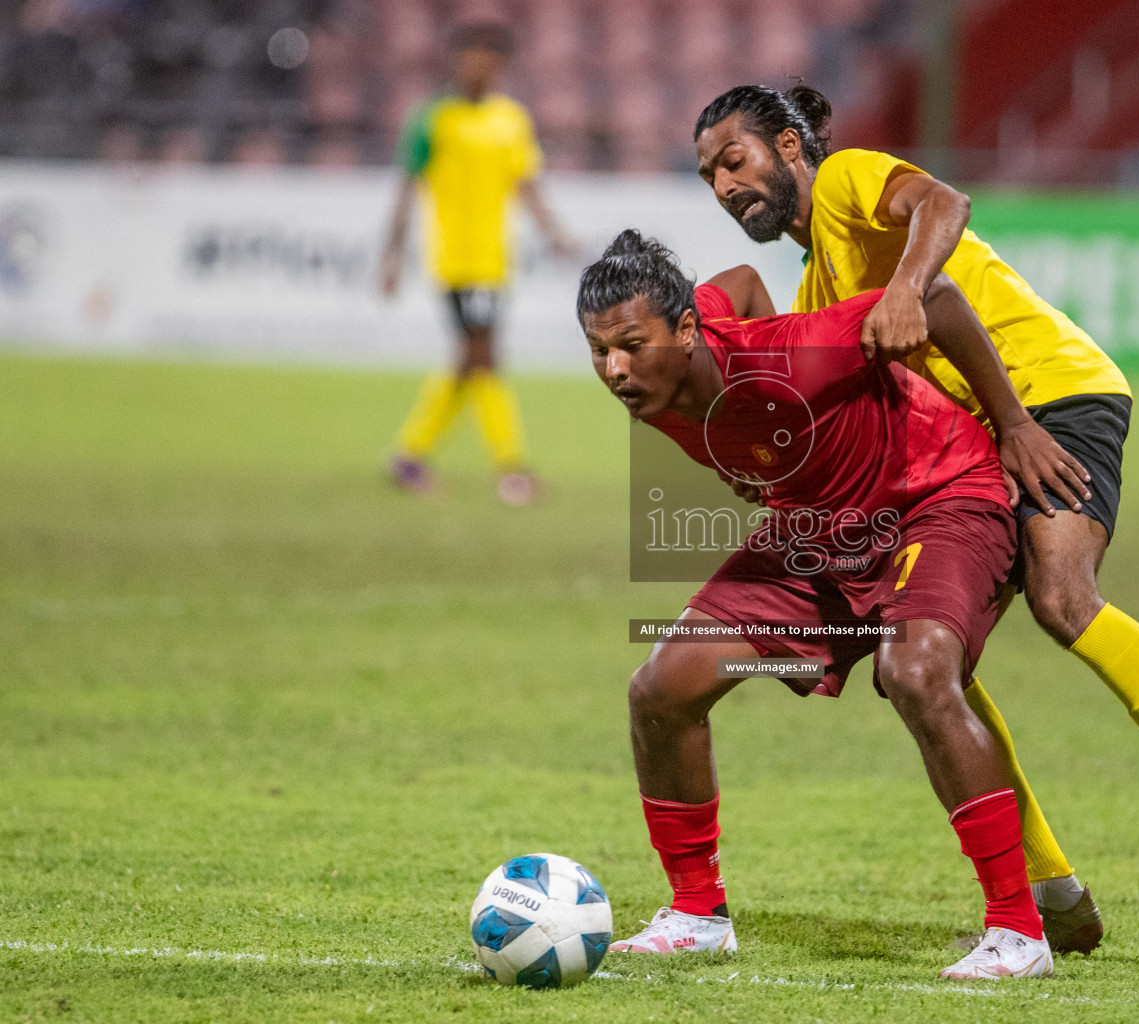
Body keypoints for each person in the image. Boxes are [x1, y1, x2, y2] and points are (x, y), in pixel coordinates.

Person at [692, 85, 1139, 939]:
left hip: (1055, 394)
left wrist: (906, 285)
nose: (723, 186)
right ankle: (1052, 890)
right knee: (936, 661)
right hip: (983, 443)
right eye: (709, 175)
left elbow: (946, 202)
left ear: (789, 148)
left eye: (734, 160)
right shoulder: (816, 289)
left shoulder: (852, 181)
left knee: (1062, 596)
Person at [582, 229, 1059, 979]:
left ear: (684, 332)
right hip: (814, 529)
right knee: (662, 689)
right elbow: (736, 280)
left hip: (936, 499)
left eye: (631, 346)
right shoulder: (662, 371)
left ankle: (1018, 931)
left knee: (915, 673)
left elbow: (934, 297)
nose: (614, 370)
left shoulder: (793, 355)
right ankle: (698, 915)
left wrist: (1017, 425)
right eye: (598, 351)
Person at [379, 20, 576, 505]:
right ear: (456, 59)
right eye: (471, 55)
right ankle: (512, 470)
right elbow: (407, 186)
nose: (479, 65)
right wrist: (391, 255)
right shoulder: (432, 118)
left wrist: (554, 234)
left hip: (494, 262)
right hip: (452, 260)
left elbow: (525, 183)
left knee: (470, 361)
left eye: (489, 57)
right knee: (484, 357)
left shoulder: (511, 119)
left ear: (502, 65)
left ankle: (408, 457)